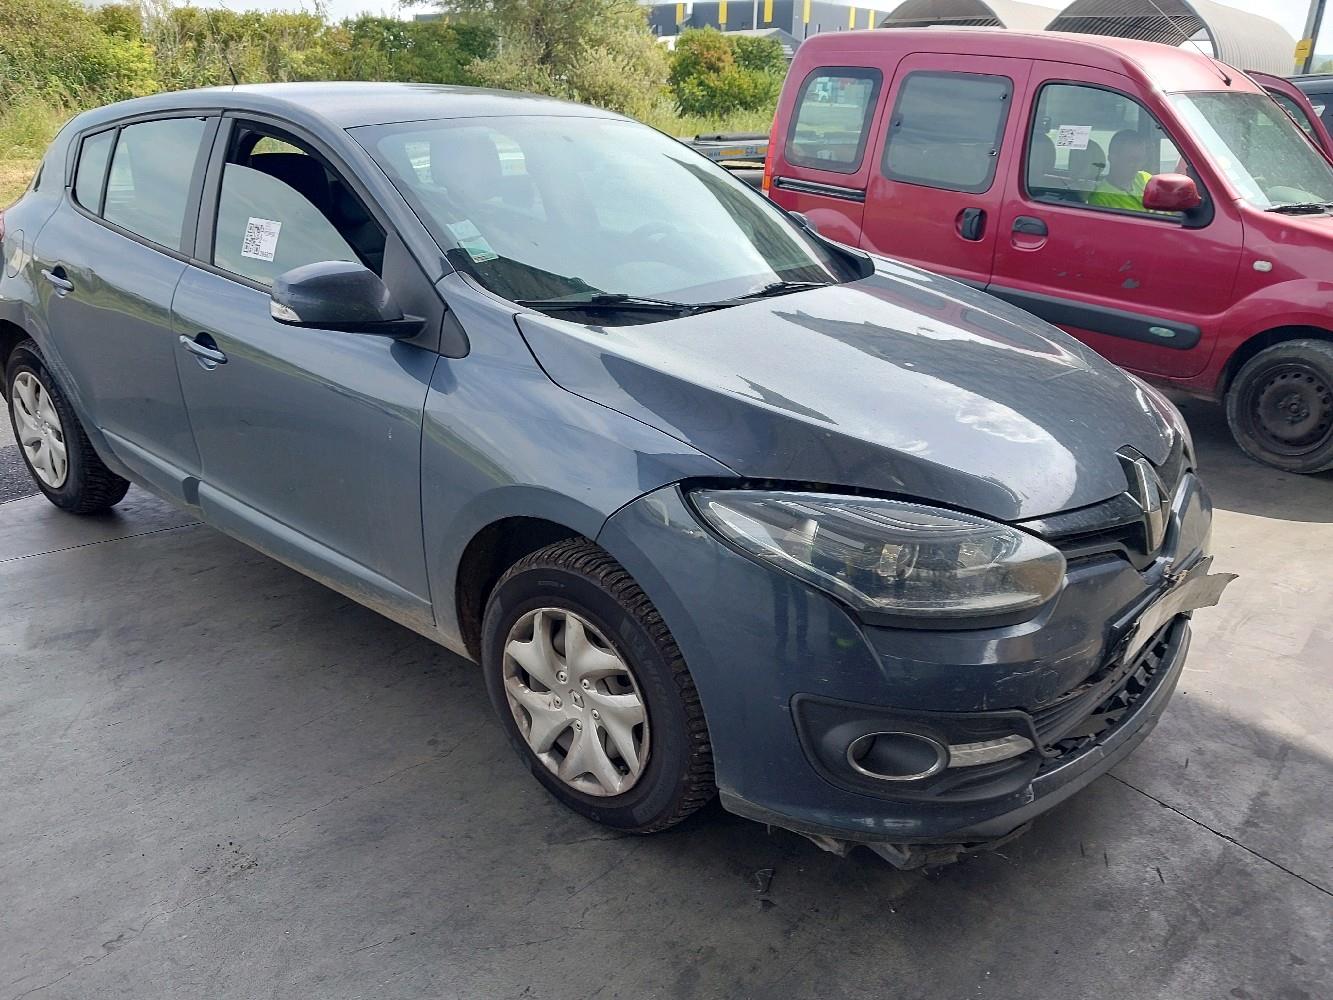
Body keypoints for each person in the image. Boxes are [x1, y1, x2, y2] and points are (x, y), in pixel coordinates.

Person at [1088, 129, 1153, 211]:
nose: (1138, 166)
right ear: (1113, 158)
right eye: (1132, 160)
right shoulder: (1101, 198)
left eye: (1141, 160)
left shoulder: (1146, 178)